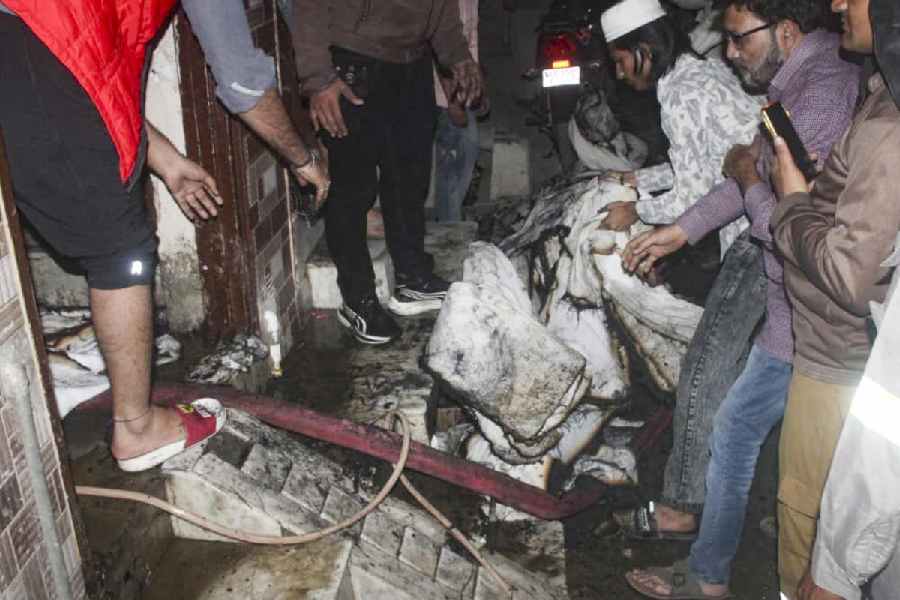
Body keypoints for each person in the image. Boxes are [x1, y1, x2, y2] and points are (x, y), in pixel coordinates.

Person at [0, 0, 328, 472]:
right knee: (122, 250)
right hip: (28, 40)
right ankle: (136, 429)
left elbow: (93, 68)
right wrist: (303, 159)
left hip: (33, 38)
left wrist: (169, 163)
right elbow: (240, 82)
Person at [619, 0, 860, 597]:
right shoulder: (797, 82)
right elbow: (747, 171)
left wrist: (748, 180)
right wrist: (682, 230)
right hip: (791, 307)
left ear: (784, 29)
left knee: (811, 482)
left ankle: (761, 571)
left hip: (823, 317)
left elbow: (786, 219)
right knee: (738, 431)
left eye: (738, 40)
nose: (728, 54)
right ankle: (709, 577)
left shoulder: (824, 94)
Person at [767, 0, 900, 594]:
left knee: (810, 537)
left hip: (838, 368)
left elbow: (852, 279)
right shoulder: (879, 93)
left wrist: (791, 199)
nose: (839, 3)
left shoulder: (888, 122)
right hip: (837, 355)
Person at [291, 0, 484, 344]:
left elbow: (441, 8)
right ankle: (357, 299)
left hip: (413, 61)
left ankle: (412, 278)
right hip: (352, 60)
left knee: (410, 177)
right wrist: (318, 78)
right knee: (353, 189)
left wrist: (458, 56)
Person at [598, 0, 760, 262]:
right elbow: (704, 165)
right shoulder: (706, 69)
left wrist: (635, 211)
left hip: (751, 231)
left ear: (645, 50)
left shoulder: (681, 94)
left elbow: (692, 197)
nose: (618, 73)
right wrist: (637, 179)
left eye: (620, 60)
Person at [435, 0, 484, 223]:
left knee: (461, 165)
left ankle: (450, 223)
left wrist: (480, 90)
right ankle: (449, 228)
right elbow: (438, 48)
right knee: (452, 172)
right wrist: (453, 103)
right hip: (446, 100)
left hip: (462, 94)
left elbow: (470, 47)